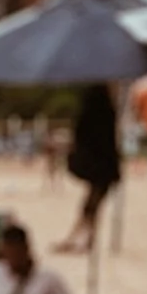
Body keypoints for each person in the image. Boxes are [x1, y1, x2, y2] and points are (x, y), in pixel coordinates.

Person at [57, 84, 121, 253]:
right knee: (91, 206)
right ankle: (82, 238)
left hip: (99, 168)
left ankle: (82, 239)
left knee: (91, 207)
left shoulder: (94, 113)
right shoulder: (107, 113)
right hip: (103, 168)